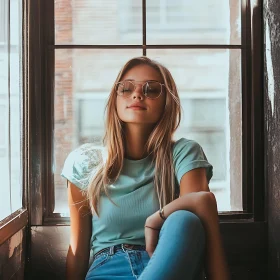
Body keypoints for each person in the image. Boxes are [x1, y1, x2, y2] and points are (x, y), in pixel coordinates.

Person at [61, 56, 230, 280]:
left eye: (151, 90)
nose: (137, 94)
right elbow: (78, 251)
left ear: (166, 102)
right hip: (109, 268)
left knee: (184, 220)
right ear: (115, 98)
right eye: (126, 88)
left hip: (169, 266)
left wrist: (156, 220)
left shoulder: (183, 153)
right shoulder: (84, 161)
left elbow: (200, 211)